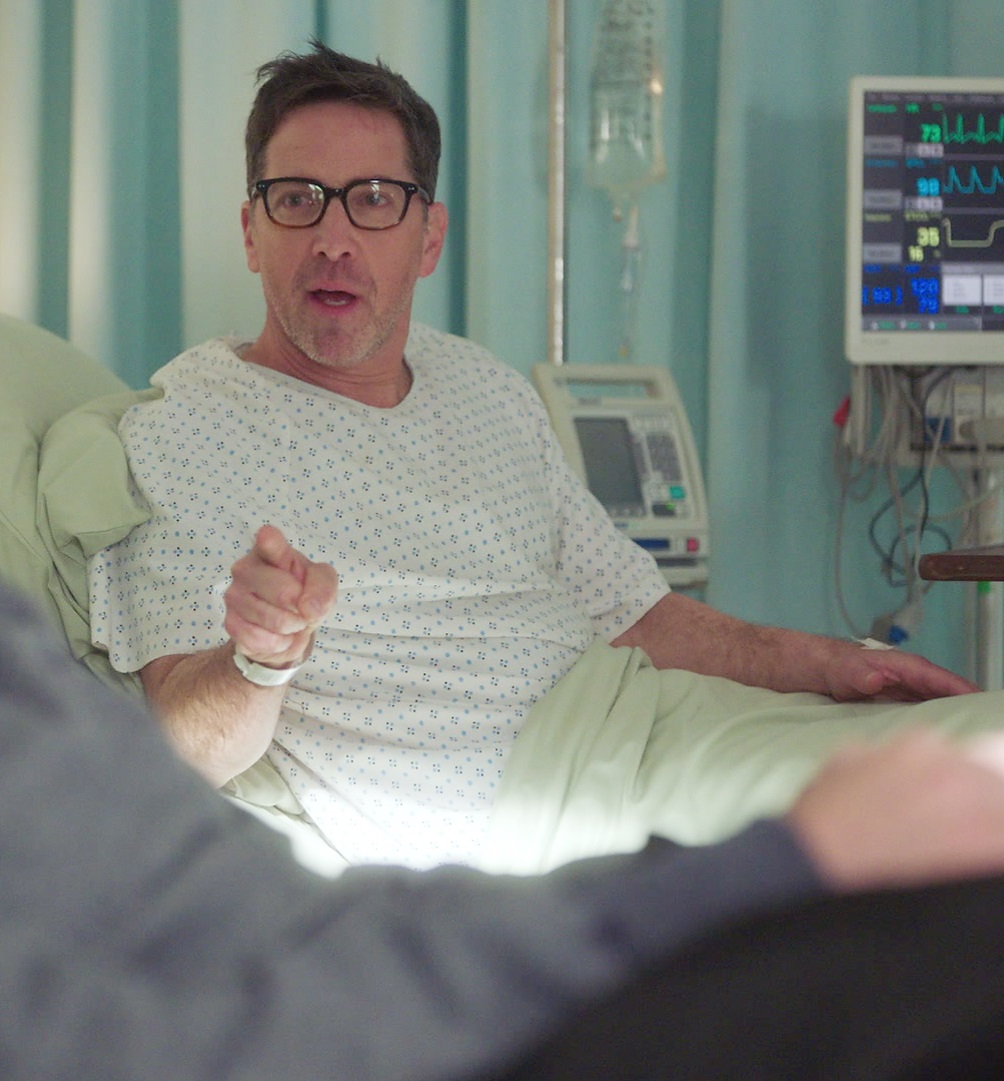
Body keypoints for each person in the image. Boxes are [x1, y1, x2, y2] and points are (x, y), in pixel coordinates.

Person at [0, 17, 1004, 1081]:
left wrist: (727, 875)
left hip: (395, 983)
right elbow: (156, 1044)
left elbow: (243, 926)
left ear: (425, 233)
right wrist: (755, 885)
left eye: (372, 203)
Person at [88, 42, 1004, 871]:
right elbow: (184, 743)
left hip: (642, 712)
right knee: (950, 808)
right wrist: (262, 658)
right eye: (297, 200)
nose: (333, 238)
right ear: (252, 230)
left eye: (374, 200)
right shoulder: (190, 424)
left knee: (971, 741)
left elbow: (637, 614)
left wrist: (831, 663)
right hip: (538, 795)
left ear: (429, 238)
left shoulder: (479, 385)